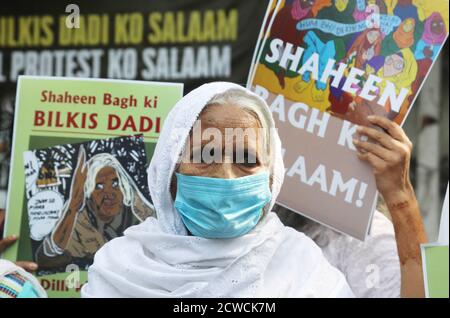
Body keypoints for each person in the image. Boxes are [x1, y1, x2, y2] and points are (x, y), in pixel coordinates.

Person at [82, 82, 427, 298]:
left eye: (247, 159)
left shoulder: (305, 270)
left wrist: (401, 198)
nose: (227, 176)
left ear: (271, 177)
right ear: (170, 172)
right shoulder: (118, 269)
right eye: (206, 155)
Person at [35, 150, 155, 271]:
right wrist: (73, 205)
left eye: (115, 184)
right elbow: (47, 258)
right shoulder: (78, 222)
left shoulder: (136, 215)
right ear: (88, 193)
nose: (109, 194)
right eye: (99, 186)